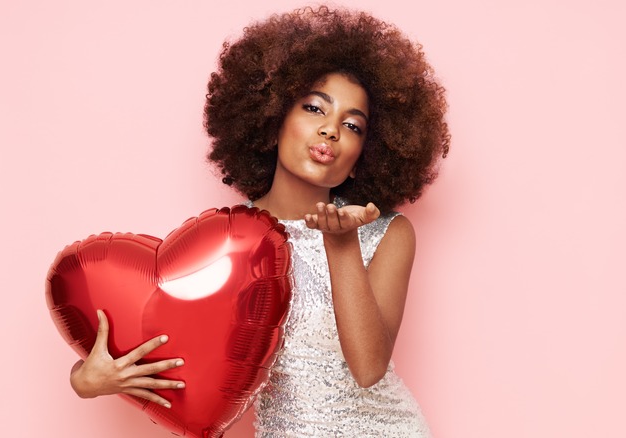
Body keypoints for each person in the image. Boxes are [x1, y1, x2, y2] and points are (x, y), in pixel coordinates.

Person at [70, 6, 449, 437]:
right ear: (273, 121)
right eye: (313, 108)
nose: (331, 131)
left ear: (364, 158)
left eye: (353, 125)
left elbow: (368, 368)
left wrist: (339, 244)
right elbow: (159, 327)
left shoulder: (387, 233)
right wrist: (86, 380)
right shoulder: (223, 243)